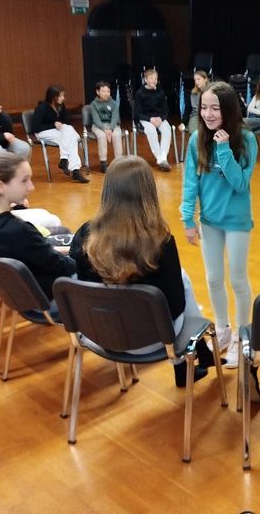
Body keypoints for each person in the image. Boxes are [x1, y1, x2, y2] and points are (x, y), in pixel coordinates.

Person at [69, 157, 215, 387]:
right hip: (153, 340)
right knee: (182, 279)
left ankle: (198, 354)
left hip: (100, 334)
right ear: (148, 193)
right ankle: (191, 357)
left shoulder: (85, 235)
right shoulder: (161, 242)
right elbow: (175, 306)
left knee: (175, 281)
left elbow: (83, 287)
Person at [180, 81, 258, 369]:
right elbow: (190, 182)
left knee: (237, 279)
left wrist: (223, 149)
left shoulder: (247, 140)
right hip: (209, 220)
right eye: (204, 108)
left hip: (237, 221)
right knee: (213, 278)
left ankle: (241, 335)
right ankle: (223, 328)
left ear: (228, 110)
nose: (208, 114)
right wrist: (188, 219)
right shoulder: (196, 139)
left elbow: (240, 183)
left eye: (215, 108)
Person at [0, 153, 76, 301]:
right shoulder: (17, 231)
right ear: (0, 186)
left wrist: (65, 250)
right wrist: (85, 256)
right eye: (24, 180)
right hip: (49, 294)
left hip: (15, 295)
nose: (31, 187)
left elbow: (35, 252)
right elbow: (64, 267)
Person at [31, 85, 89, 183]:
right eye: (61, 96)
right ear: (53, 97)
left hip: (58, 132)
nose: (63, 98)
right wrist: (53, 125)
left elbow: (66, 121)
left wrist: (60, 123)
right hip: (42, 132)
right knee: (73, 137)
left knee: (70, 134)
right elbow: (36, 127)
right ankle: (74, 169)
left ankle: (67, 162)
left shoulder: (60, 106)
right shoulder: (42, 108)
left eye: (63, 95)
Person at [133, 68, 173, 171]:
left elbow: (165, 109)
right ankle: (159, 158)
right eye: (151, 78)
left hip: (159, 117)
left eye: (155, 78)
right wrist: (150, 119)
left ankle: (163, 156)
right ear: (145, 79)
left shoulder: (160, 92)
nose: (154, 80)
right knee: (151, 131)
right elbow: (138, 112)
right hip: (146, 118)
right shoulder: (140, 93)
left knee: (167, 129)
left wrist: (161, 118)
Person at [88, 81, 123, 173]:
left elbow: (115, 117)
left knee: (116, 135)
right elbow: (96, 119)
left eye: (108, 91)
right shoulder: (93, 104)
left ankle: (119, 162)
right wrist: (104, 129)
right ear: (98, 92)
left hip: (112, 125)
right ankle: (103, 163)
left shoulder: (114, 103)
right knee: (102, 136)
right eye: (103, 91)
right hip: (98, 126)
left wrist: (111, 129)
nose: (106, 93)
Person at [179, 69, 210, 138]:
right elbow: (188, 109)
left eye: (198, 79)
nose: (196, 82)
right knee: (194, 133)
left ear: (205, 79)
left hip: (208, 114)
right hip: (196, 115)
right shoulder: (193, 93)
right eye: (195, 80)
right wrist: (183, 122)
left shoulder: (212, 91)